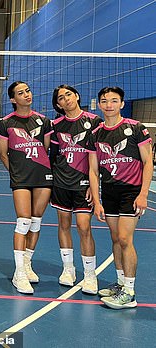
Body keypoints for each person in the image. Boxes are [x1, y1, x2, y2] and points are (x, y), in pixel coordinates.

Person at [88, 86, 153, 309]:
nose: (109, 105)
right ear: (99, 104)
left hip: (131, 191)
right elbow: (93, 170)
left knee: (125, 239)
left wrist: (143, 193)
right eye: (104, 101)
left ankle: (130, 293)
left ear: (122, 104)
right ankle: (120, 283)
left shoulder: (136, 128)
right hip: (109, 191)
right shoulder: (96, 134)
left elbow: (148, 162)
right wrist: (97, 201)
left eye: (114, 101)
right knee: (116, 239)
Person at [0, 81, 53, 294]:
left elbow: (45, 149)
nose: (26, 95)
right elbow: (3, 153)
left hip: (42, 175)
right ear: (13, 99)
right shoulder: (6, 123)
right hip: (21, 177)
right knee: (23, 220)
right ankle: (19, 273)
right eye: (21, 93)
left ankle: (27, 263)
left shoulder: (44, 121)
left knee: (36, 221)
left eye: (28, 91)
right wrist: (17, 172)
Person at [50, 85, 102, 294]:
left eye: (68, 94)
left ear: (77, 96)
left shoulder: (94, 122)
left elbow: (99, 157)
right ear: (58, 104)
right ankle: (68, 269)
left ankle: (90, 275)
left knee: (83, 227)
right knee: (63, 224)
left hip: (83, 183)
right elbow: (53, 154)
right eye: (61, 98)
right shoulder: (56, 125)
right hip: (61, 182)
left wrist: (94, 184)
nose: (66, 99)